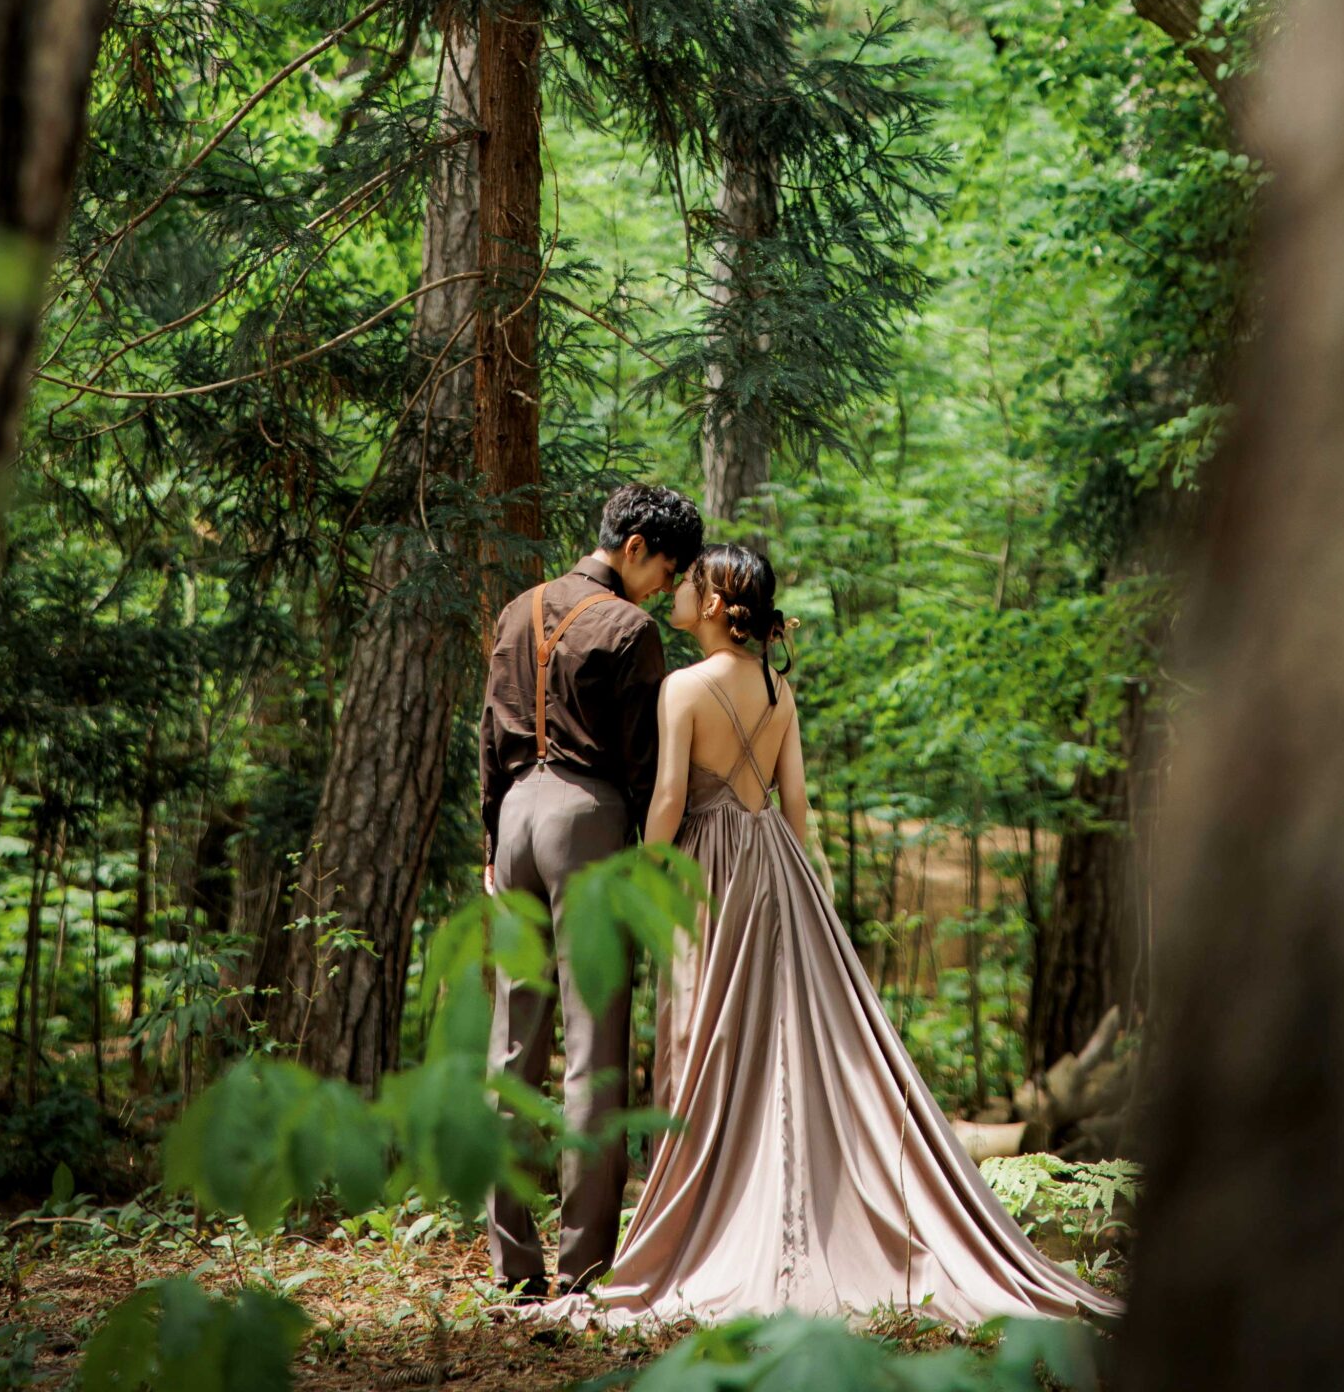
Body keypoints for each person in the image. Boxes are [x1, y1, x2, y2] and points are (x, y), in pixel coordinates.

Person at [567, 541, 1121, 1329]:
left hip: (710, 874)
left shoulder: (682, 688)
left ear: (719, 605)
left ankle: (705, 1218)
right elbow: (796, 806)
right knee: (784, 1045)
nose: (681, 593)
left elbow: (665, 802)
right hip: (777, 872)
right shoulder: (779, 689)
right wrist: (801, 888)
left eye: (693, 585)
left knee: (704, 1037)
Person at [479, 481, 704, 1301]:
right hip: (591, 820)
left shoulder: (516, 608)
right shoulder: (631, 628)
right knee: (593, 1051)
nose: (663, 587)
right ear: (637, 544)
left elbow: (491, 730)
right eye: (666, 568)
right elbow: (645, 760)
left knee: (513, 1048)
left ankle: (513, 1270)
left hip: (514, 817)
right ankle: (583, 1271)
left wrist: (489, 843)